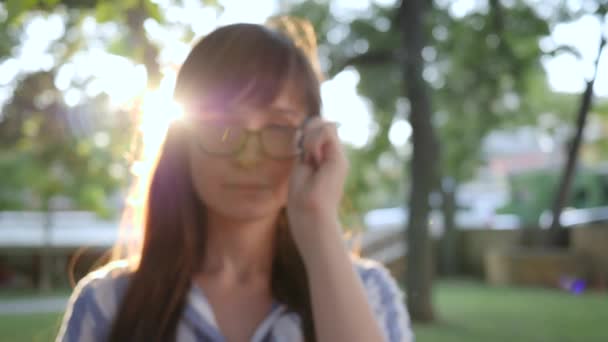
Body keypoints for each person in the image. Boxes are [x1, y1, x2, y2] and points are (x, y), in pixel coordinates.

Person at [56, 19, 413, 342]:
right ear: (183, 141)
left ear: (313, 142)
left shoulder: (368, 293)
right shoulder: (108, 303)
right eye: (221, 126)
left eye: (278, 127)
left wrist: (318, 218)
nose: (247, 157)